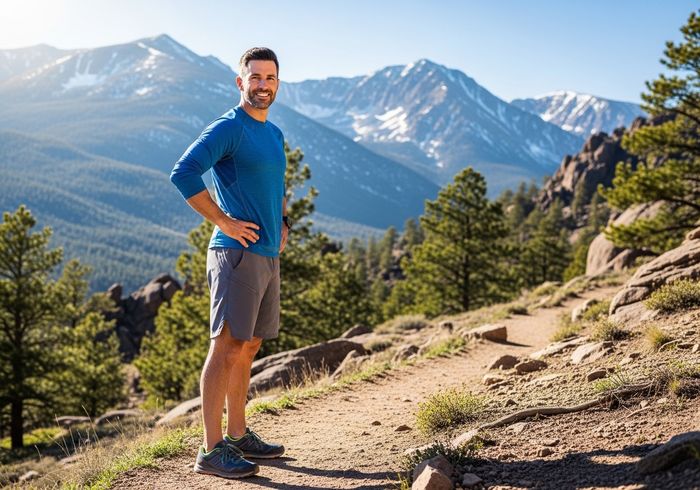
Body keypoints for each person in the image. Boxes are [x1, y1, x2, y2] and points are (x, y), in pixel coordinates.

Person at [170, 47, 290, 479]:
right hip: (235, 254)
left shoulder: (273, 134)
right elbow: (183, 172)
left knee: (250, 344)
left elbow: (273, 184)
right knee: (225, 346)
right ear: (241, 82)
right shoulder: (229, 127)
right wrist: (224, 220)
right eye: (254, 77)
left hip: (267, 253)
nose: (262, 85)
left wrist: (282, 221)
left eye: (270, 78)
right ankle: (211, 449)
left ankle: (238, 436)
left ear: (278, 83)